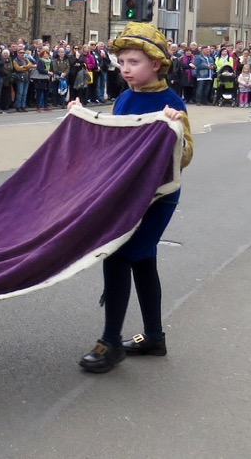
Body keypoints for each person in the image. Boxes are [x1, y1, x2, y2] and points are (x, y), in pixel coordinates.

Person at [69, 22, 193, 374]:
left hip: (156, 197)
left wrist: (175, 127)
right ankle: (154, 337)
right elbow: (112, 142)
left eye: (134, 61)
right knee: (142, 260)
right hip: (126, 193)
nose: (125, 68)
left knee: (120, 254)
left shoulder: (171, 102)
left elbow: (182, 158)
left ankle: (110, 342)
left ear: (156, 64)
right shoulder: (124, 97)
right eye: (121, 61)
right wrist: (82, 119)